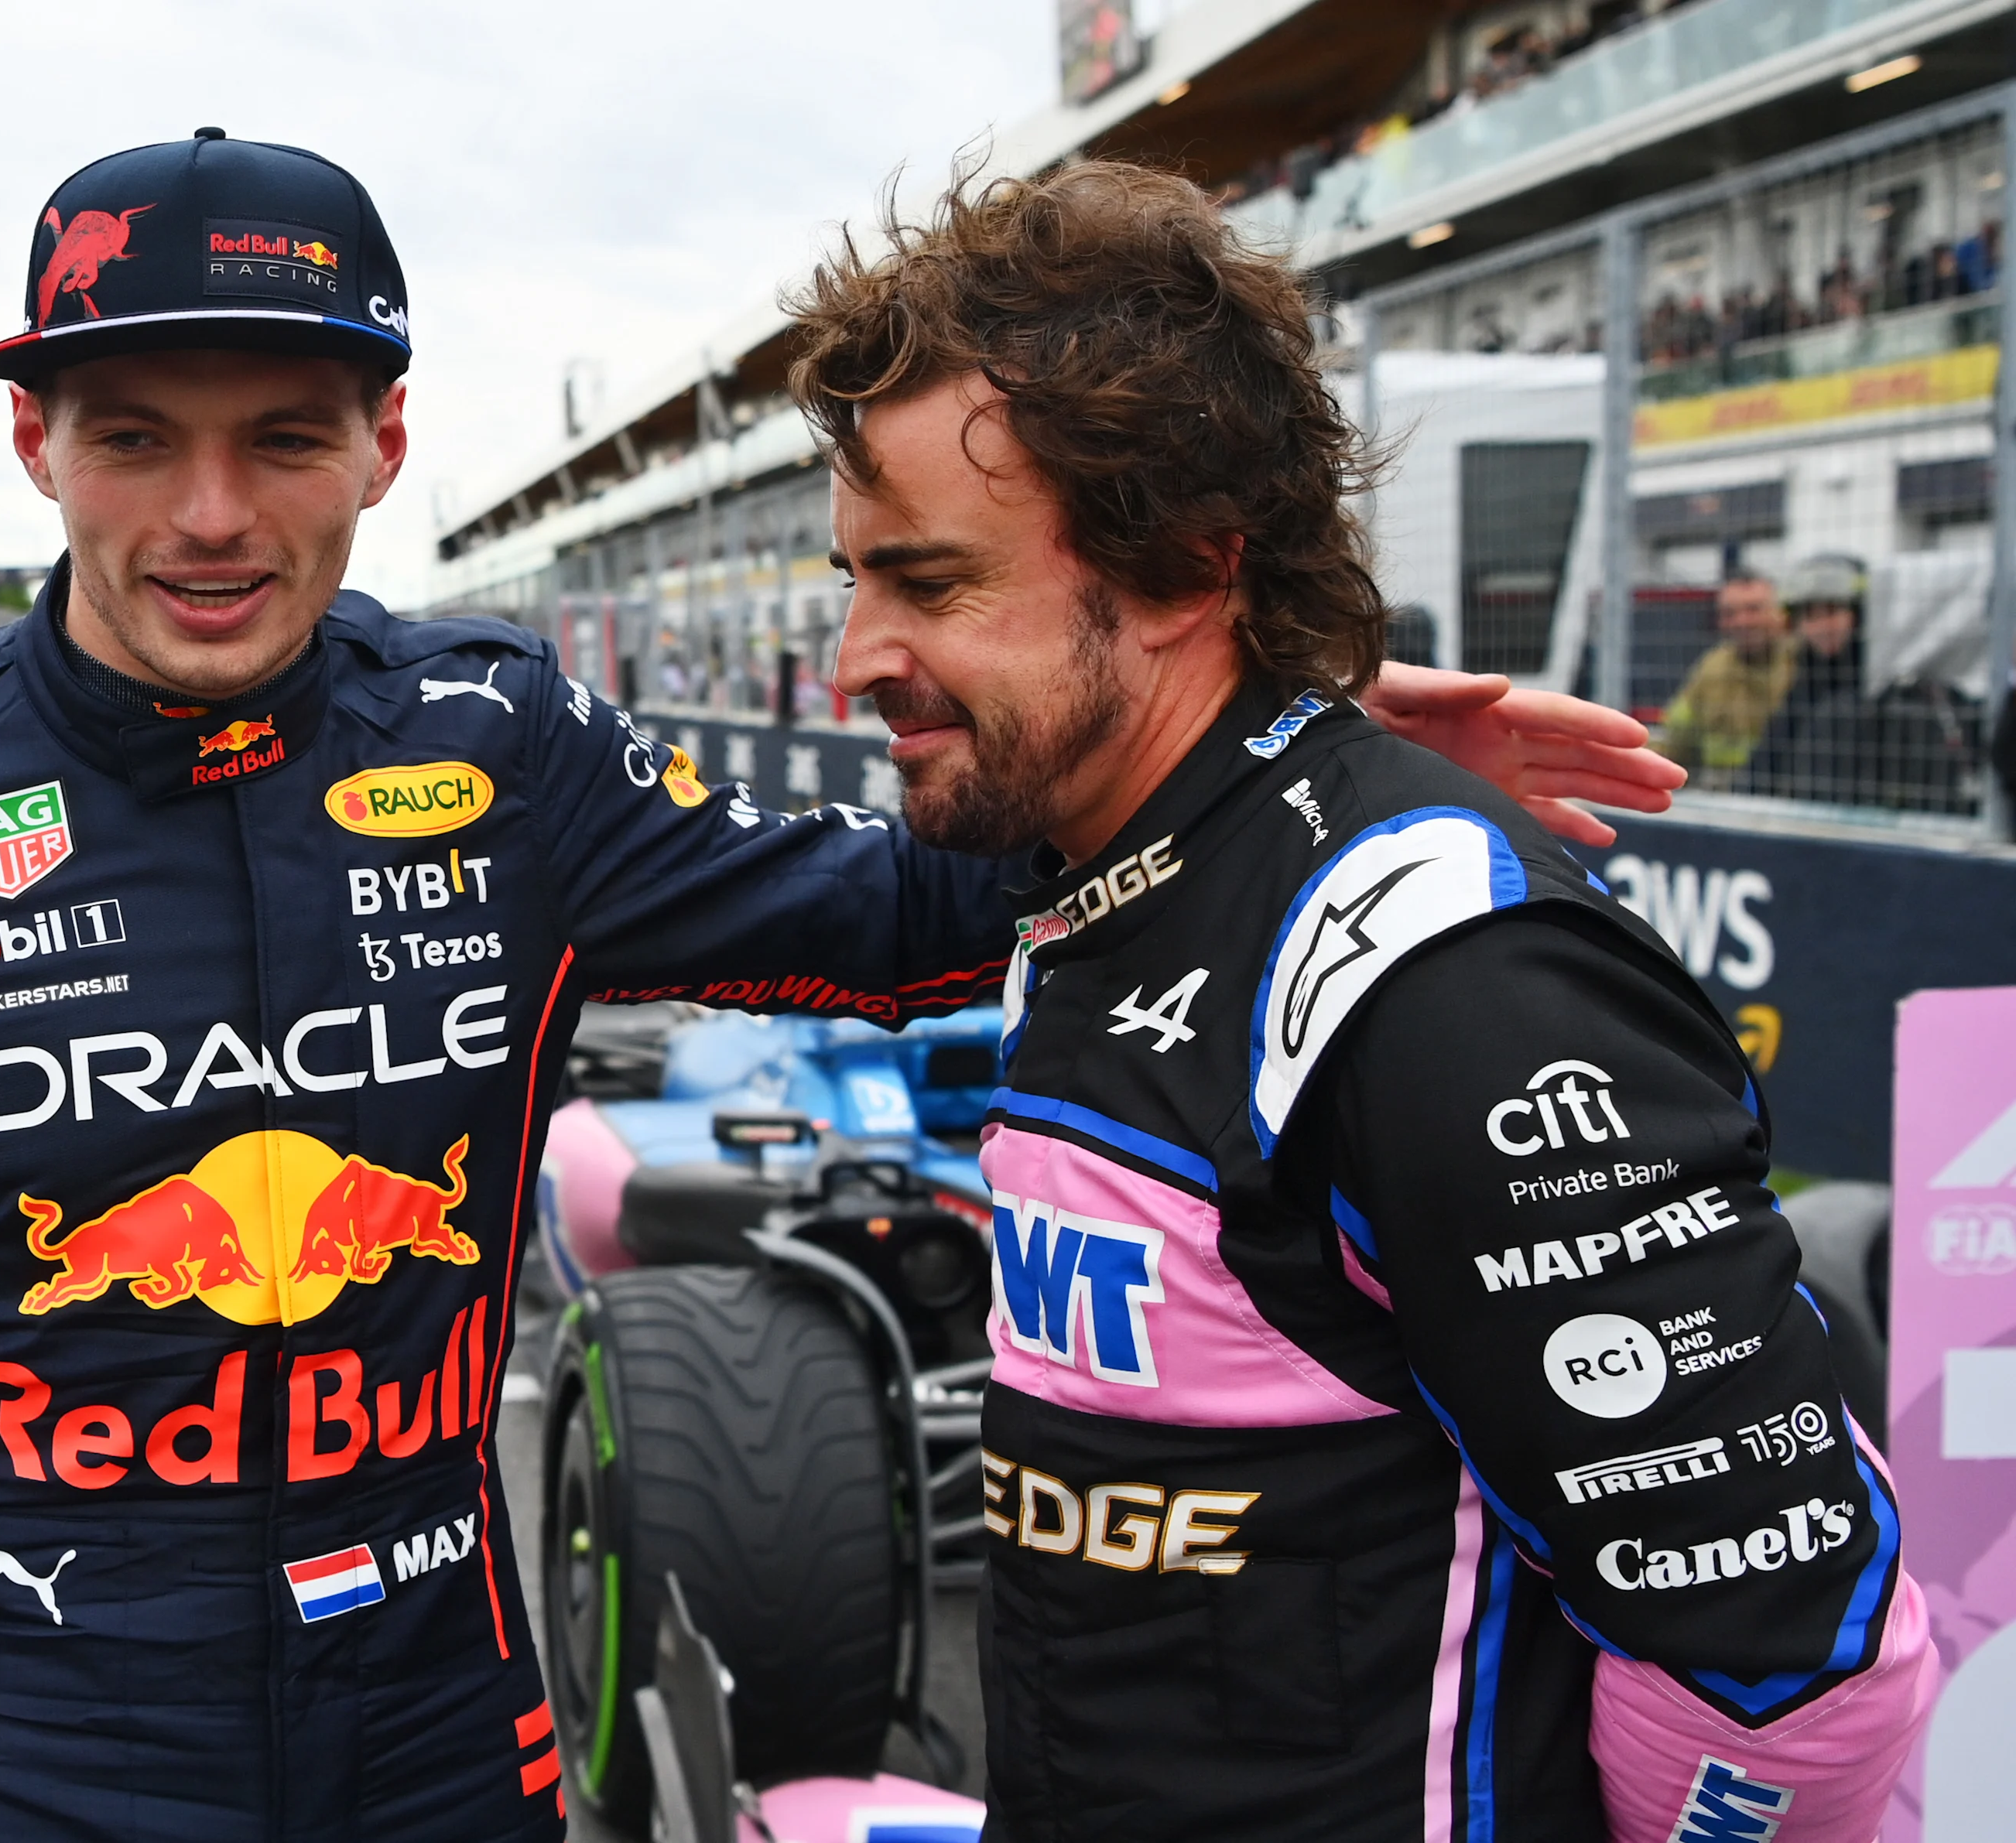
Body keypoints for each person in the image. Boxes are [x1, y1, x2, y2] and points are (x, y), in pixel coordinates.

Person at [0, 133, 1677, 1843]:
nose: (206, 514)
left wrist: (1261, 739)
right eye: (129, 436)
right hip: (38, 1751)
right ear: (32, 449)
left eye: (282, 435)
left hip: (447, 1733)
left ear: (382, 437)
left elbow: (897, 907)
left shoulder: (496, 740)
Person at [796, 163, 1932, 1841]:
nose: (851, 661)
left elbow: (1792, 1671)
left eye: (931, 584)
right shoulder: (1101, 856)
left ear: (1186, 567)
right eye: (853, 584)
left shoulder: (1439, 972)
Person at [1741, 555, 1870, 804]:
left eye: (1832, 612)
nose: (1822, 627)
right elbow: (1764, 764)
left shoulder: (1884, 689)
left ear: (1857, 615)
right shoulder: (1805, 684)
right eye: (1811, 616)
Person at [1656, 571, 1793, 785]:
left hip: (1789, 792)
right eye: (1730, 613)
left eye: (1754, 609)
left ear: (1780, 614)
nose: (1742, 622)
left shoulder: (1802, 664)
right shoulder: (1711, 669)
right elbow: (1677, 738)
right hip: (1720, 796)